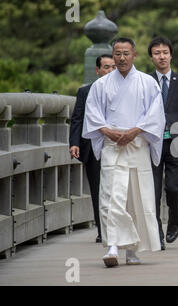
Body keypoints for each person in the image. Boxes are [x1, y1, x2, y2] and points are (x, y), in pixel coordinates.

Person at [82, 37, 165, 267]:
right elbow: (93, 115)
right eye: (117, 53)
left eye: (126, 53)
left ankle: (132, 249)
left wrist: (135, 131)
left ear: (134, 55)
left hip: (137, 144)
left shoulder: (148, 83)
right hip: (112, 146)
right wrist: (109, 132)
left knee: (135, 197)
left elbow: (156, 115)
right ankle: (112, 247)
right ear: (113, 55)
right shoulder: (101, 85)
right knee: (111, 196)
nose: (121, 58)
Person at [148, 36, 178, 250]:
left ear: (171, 55)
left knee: (175, 188)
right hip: (152, 144)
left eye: (165, 52)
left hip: (177, 142)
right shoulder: (145, 81)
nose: (162, 56)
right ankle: (156, 232)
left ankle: (174, 221)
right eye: (157, 53)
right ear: (151, 57)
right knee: (153, 191)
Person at [69, 54, 116, 243]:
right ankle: (102, 230)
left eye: (113, 67)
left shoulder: (125, 89)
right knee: (98, 189)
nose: (110, 71)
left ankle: (118, 229)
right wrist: (74, 142)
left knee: (117, 188)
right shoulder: (85, 91)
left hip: (117, 145)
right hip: (92, 147)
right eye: (106, 67)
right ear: (97, 70)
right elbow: (77, 118)